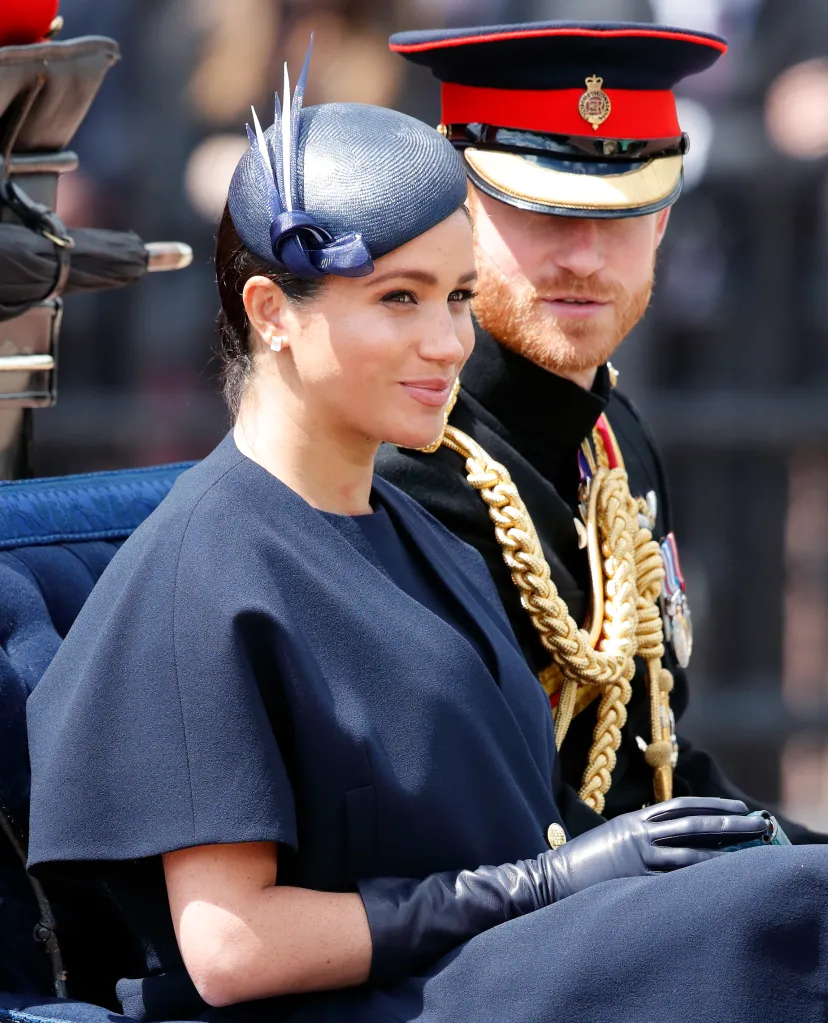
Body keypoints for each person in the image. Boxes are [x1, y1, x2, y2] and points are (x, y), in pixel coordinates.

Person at [24, 44, 828, 1023]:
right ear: (274, 311)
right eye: (398, 299)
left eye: (454, 297)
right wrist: (540, 887)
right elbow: (231, 947)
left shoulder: (412, 533)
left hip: (501, 970)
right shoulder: (208, 565)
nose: (448, 342)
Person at [378, 20, 826, 842]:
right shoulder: (403, 465)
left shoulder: (612, 437)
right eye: (542, 212)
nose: (584, 257)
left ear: (660, 225)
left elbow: (658, 760)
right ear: (459, 212)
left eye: (620, 214)